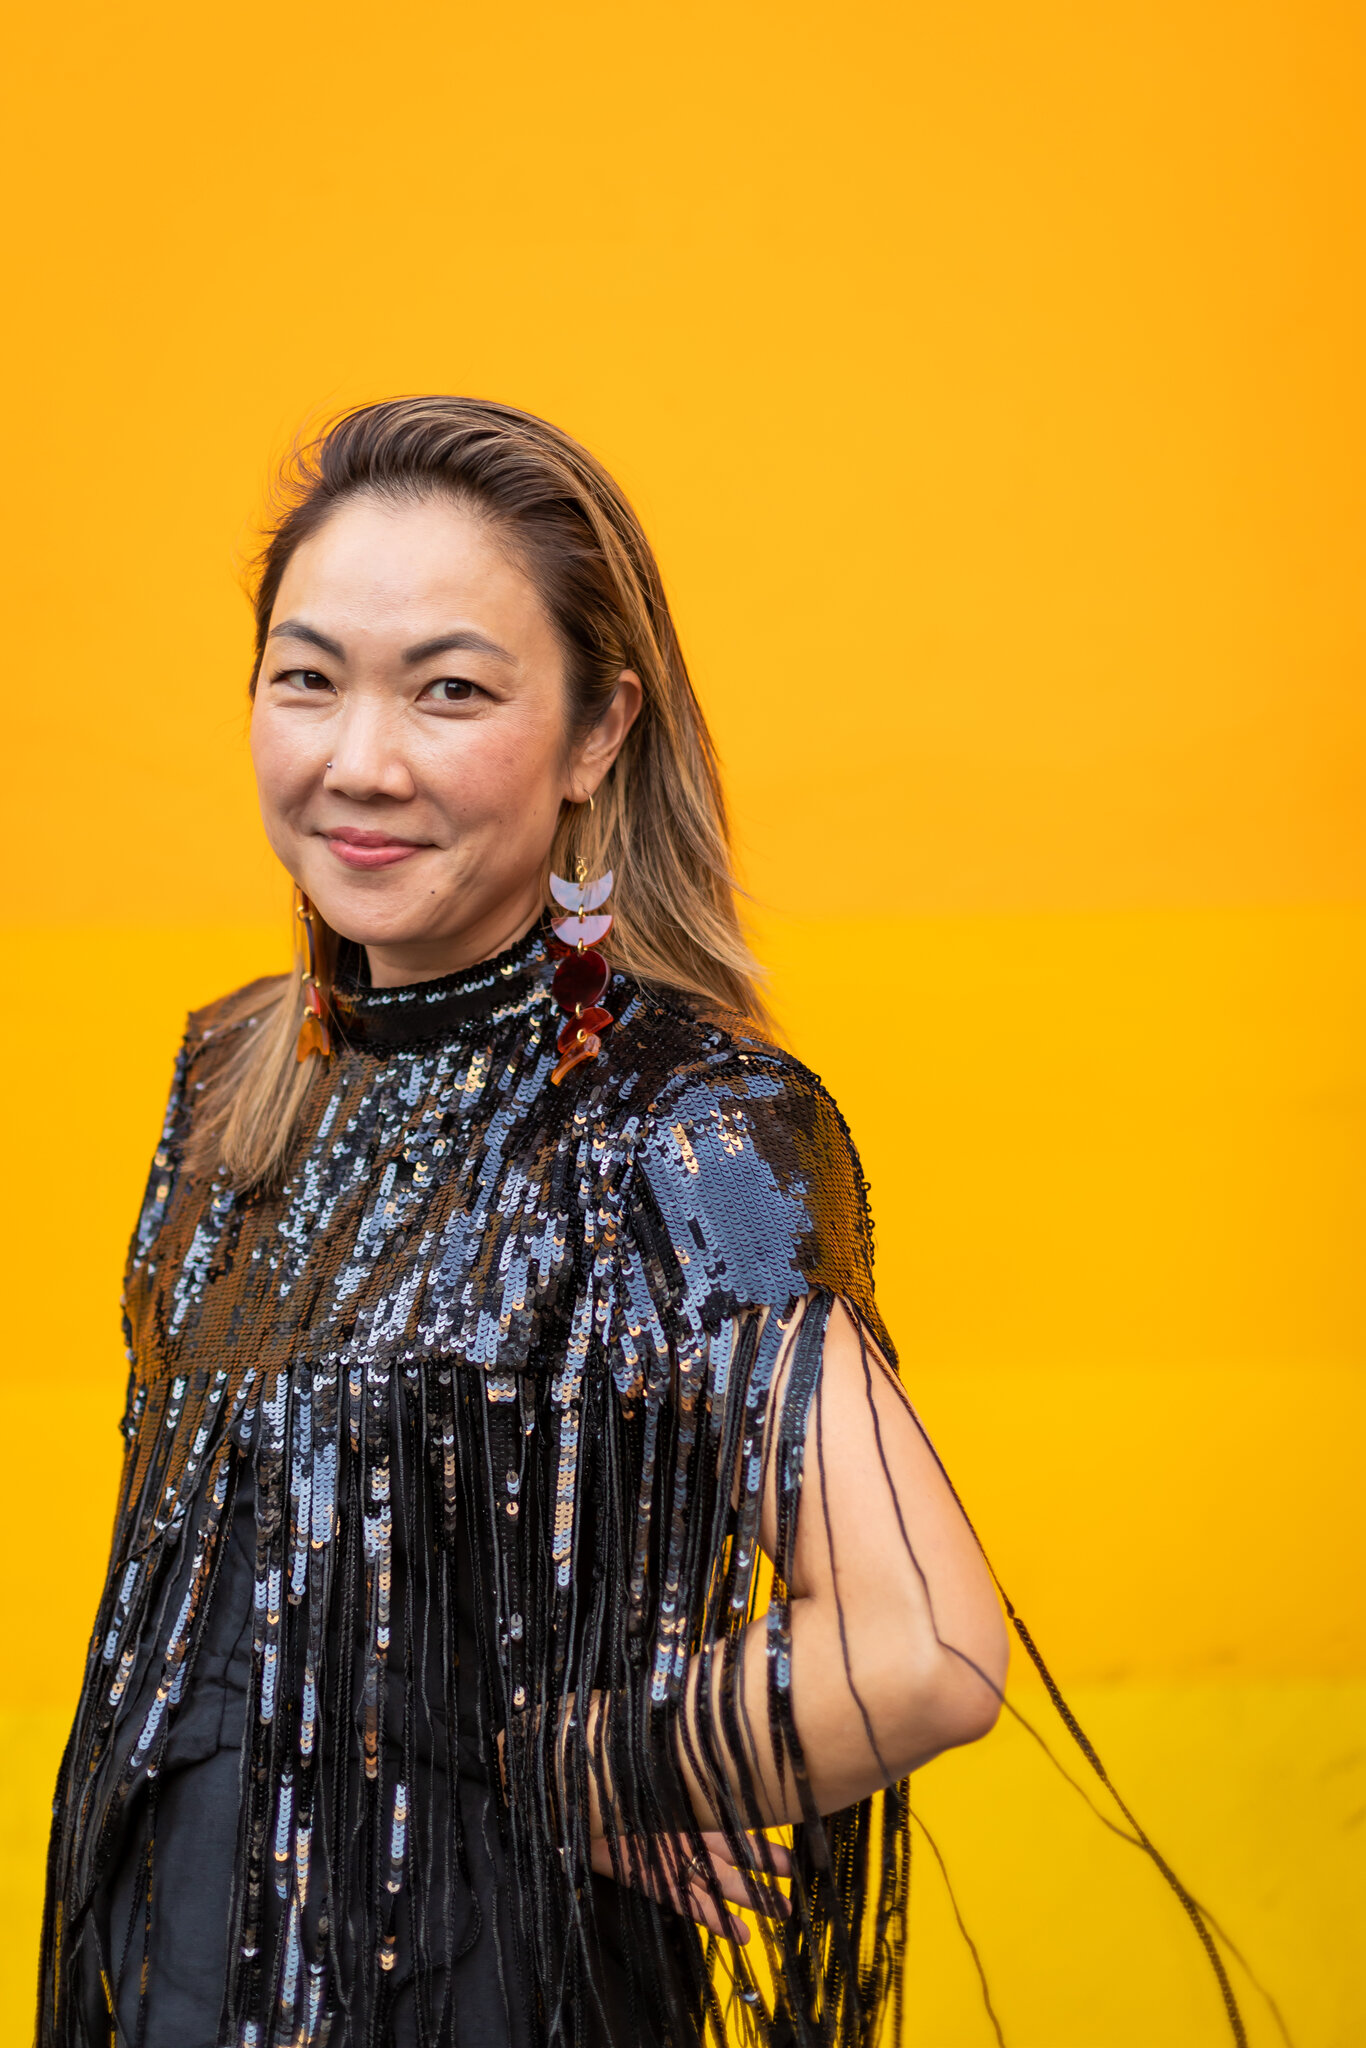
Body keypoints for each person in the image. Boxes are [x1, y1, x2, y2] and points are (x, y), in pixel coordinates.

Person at [37, 393, 1013, 2048]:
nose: (359, 761)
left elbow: (919, 1646)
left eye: (452, 691)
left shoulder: (680, 1125)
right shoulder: (230, 1082)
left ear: (594, 734)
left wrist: (596, 1765)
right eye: (306, 677)